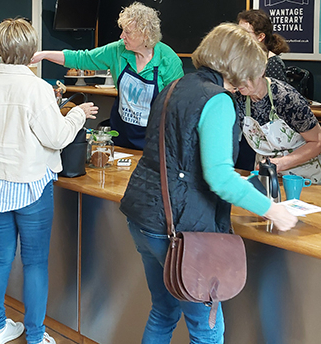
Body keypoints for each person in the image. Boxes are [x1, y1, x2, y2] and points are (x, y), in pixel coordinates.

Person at [120, 23, 298, 344]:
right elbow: (220, 178)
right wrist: (273, 210)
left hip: (144, 216)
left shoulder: (174, 86)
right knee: (207, 328)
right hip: (180, 229)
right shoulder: (217, 101)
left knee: (163, 312)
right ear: (239, 67)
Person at [0, 18, 98, 344]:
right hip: (30, 186)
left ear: (1, 49)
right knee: (34, 263)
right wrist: (77, 114)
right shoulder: (37, 89)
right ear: (31, 51)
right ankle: (35, 335)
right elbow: (56, 137)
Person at [31, 2, 183, 150]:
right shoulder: (118, 50)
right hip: (121, 136)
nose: (122, 36)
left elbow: (177, 107)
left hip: (154, 141)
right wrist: (44, 54)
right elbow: (82, 58)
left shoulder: (169, 61)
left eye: (128, 32)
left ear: (145, 35)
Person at [236, 76, 321, 186]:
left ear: (260, 70)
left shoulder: (286, 97)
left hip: (306, 176)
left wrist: (280, 163)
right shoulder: (238, 98)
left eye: (246, 75)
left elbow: (318, 142)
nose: (239, 82)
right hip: (267, 174)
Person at [237, 9, 289, 82]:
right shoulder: (241, 58)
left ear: (260, 37)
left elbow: (277, 92)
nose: (239, 36)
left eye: (244, 33)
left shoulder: (272, 64)